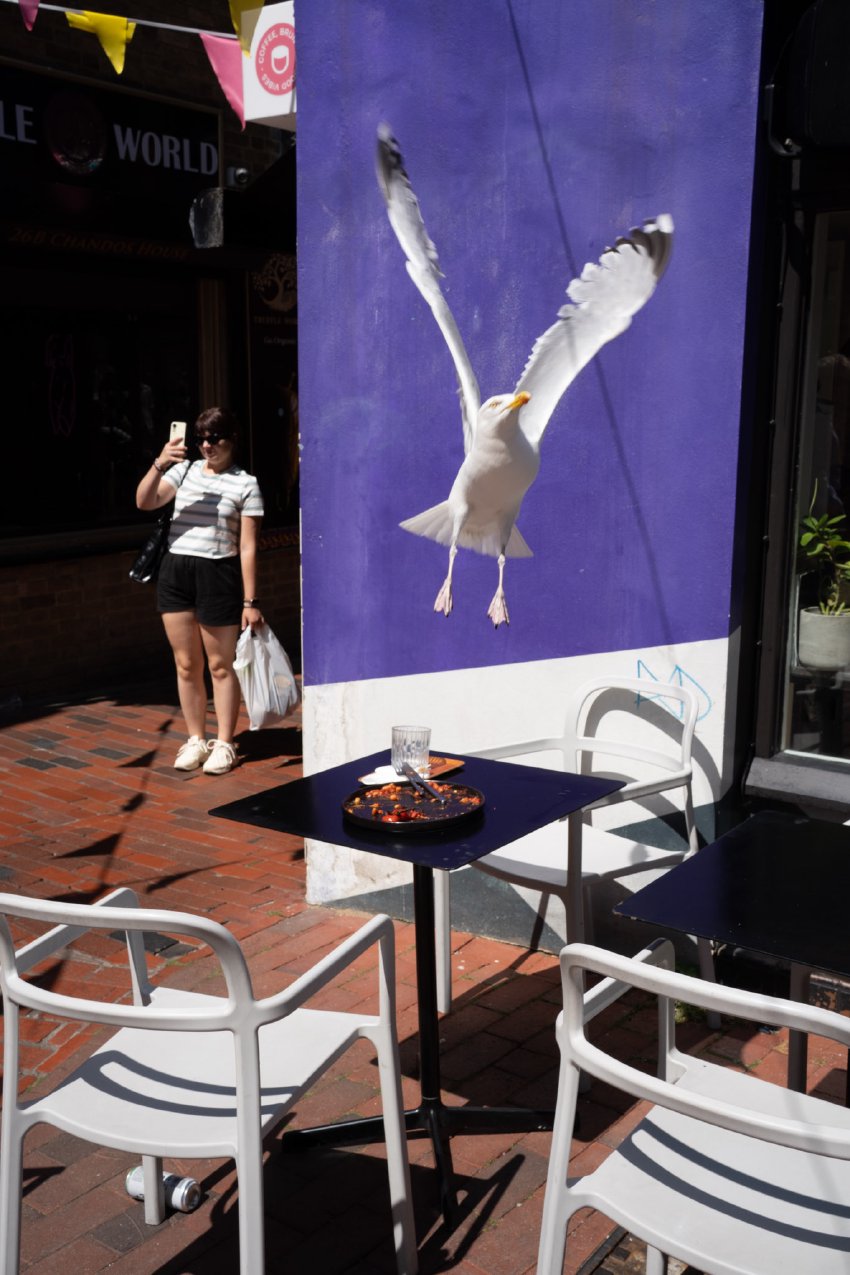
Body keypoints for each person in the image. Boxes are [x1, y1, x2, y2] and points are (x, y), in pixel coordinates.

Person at [135, 407, 264, 774]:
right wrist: (160, 462)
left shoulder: (246, 484)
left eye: (215, 438)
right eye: (201, 439)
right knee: (186, 664)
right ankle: (195, 739)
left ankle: (224, 742)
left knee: (220, 665)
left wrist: (250, 601)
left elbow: (248, 547)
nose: (207, 445)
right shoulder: (184, 471)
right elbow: (144, 501)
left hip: (218, 574)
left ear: (232, 439)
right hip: (176, 571)